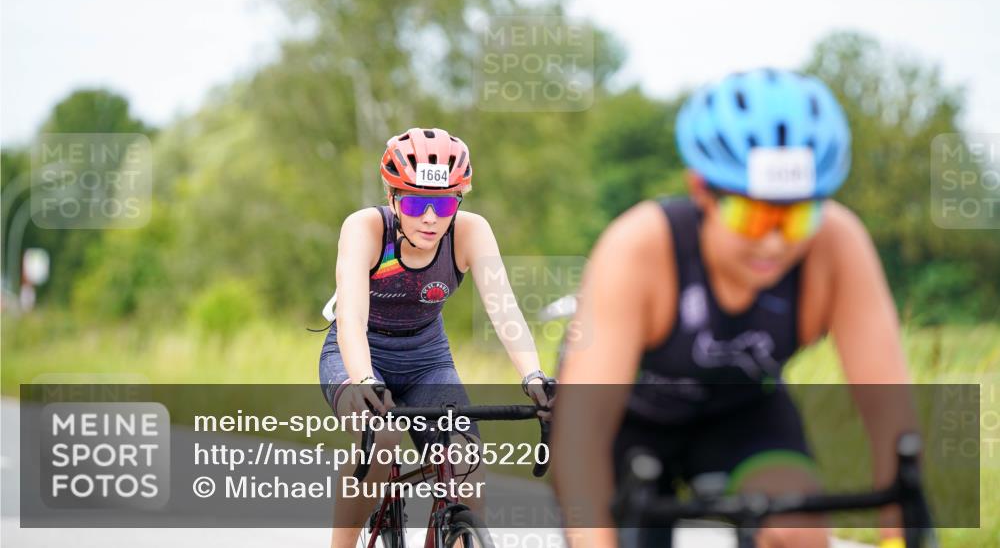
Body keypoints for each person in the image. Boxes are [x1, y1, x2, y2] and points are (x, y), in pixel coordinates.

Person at [552, 69, 915, 548]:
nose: (773, 241)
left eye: (797, 215)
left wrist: (900, 531)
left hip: (741, 414)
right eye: (753, 214)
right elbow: (583, 431)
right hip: (627, 425)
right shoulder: (639, 248)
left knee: (798, 527)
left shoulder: (836, 247)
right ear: (702, 190)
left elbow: (889, 409)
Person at [318, 127, 551, 548]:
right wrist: (364, 381)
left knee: (467, 469)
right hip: (358, 353)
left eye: (443, 203)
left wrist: (534, 375)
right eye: (415, 202)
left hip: (427, 359)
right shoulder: (366, 228)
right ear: (393, 198)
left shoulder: (470, 231)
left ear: (457, 201)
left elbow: (504, 309)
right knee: (381, 440)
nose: (430, 217)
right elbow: (351, 317)